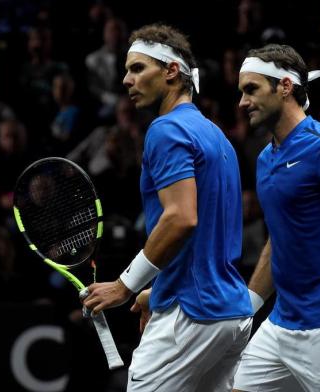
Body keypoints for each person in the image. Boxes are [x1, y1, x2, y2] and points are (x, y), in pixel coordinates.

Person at [82, 23, 253, 392]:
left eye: (137, 68)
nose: (127, 80)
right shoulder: (216, 135)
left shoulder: (165, 131)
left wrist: (125, 286)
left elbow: (181, 218)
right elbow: (204, 235)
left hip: (191, 315)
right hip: (231, 312)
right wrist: (155, 291)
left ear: (171, 71)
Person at [233, 44, 320, 392]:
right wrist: (248, 306)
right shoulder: (264, 160)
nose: (242, 102)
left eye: (251, 90)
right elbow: (279, 238)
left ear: (285, 87)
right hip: (279, 326)